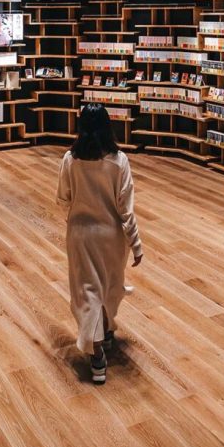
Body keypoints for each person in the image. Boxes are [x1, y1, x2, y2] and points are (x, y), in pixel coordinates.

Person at [56, 104, 143, 384]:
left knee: (87, 290)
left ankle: (96, 355)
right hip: (111, 235)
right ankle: (102, 336)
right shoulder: (119, 161)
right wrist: (137, 244)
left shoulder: (70, 159)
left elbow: (63, 198)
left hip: (80, 234)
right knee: (109, 285)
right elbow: (126, 208)